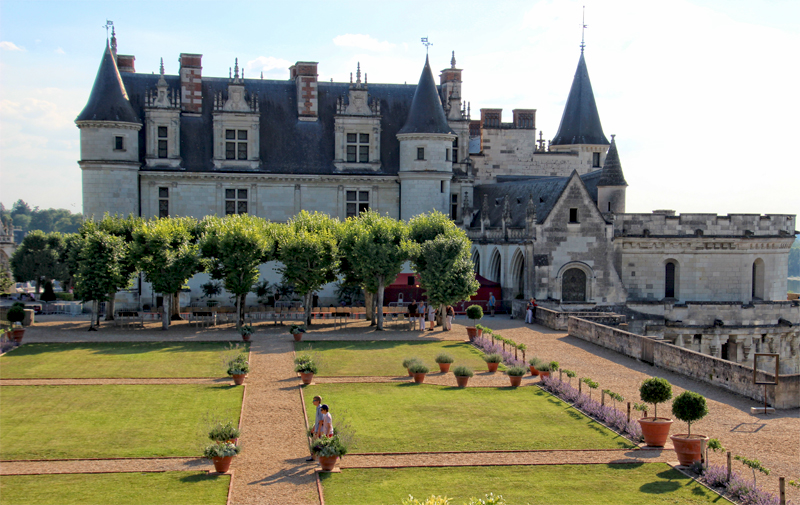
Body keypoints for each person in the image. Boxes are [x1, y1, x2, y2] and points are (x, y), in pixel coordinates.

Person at [307, 395, 323, 461]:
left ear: (318, 401)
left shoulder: (320, 409)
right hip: (316, 429)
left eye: (314, 400)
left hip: (319, 430)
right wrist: (313, 428)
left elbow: (321, 421)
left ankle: (316, 458)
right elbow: (317, 421)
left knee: (316, 444)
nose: (313, 402)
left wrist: (318, 431)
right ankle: (314, 457)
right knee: (314, 443)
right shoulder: (318, 409)